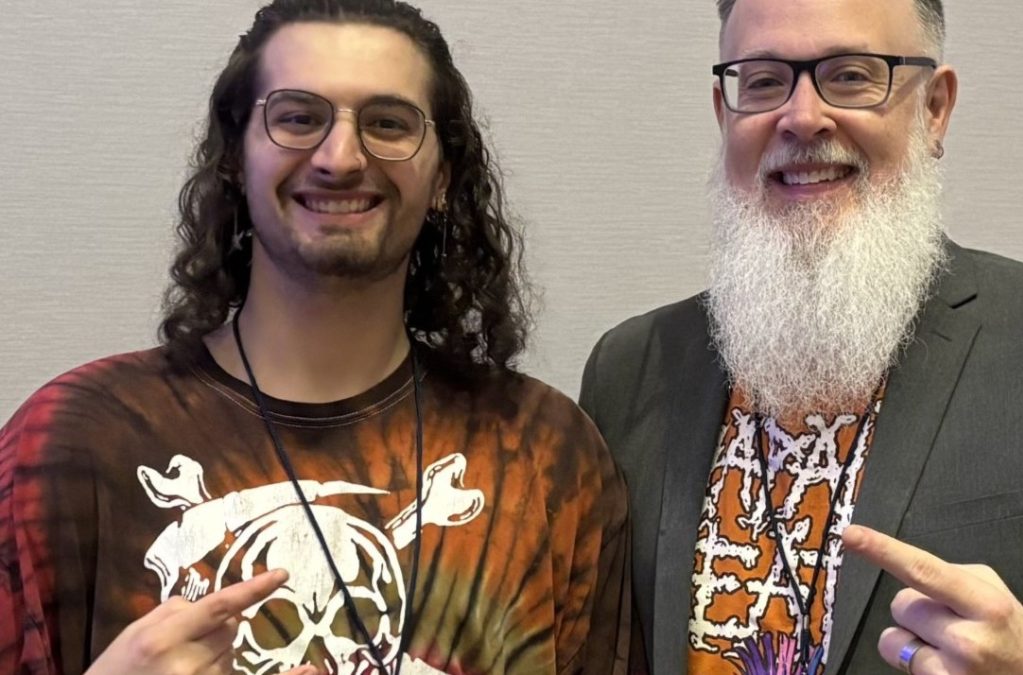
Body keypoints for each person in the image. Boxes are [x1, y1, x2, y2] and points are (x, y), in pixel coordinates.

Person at [0, 1, 629, 673]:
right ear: (237, 160)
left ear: (443, 177)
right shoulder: (73, 440)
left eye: (388, 123)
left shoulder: (544, 453)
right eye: (299, 117)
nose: (341, 157)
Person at [578, 0, 1023, 673]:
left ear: (934, 108)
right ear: (724, 113)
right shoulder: (632, 370)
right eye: (762, 81)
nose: (802, 116)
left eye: (850, 75)